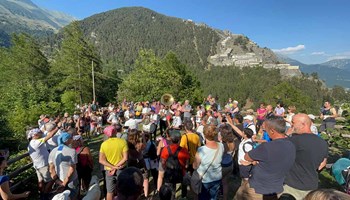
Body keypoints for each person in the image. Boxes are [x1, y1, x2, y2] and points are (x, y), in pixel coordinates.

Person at [234, 116, 296, 200]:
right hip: (276, 189)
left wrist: (256, 160)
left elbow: (247, 157)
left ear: (272, 131)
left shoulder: (266, 147)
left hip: (257, 189)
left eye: (266, 129)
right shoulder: (291, 145)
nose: (264, 130)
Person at [283, 113, 328, 200]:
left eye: (293, 122)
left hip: (292, 186)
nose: (291, 125)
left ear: (303, 124)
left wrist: (287, 135)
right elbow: (322, 164)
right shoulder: (322, 142)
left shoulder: (294, 141)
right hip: (311, 185)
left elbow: (275, 151)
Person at [193, 125, 224, 200]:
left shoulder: (201, 150)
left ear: (204, 135)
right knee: (213, 197)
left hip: (205, 179)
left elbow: (195, 166)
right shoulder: (221, 146)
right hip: (217, 177)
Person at [27, 126, 58, 199]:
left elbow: (45, 133)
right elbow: (50, 136)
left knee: (40, 181)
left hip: (37, 166)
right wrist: (57, 127)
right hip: (43, 165)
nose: (41, 133)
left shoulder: (32, 143)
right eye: (39, 133)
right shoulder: (37, 142)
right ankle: (46, 195)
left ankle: (41, 195)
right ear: (35, 135)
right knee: (51, 179)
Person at [99, 125, 128, 200]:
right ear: (115, 132)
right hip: (121, 169)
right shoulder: (122, 141)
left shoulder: (104, 144)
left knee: (110, 192)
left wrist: (113, 167)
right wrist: (116, 167)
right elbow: (125, 158)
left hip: (109, 170)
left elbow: (101, 160)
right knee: (122, 190)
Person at [160, 129, 190, 199]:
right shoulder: (184, 150)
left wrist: (165, 168)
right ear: (179, 139)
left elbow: (163, 162)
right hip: (181, 173)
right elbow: (187, 165)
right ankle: (183, 196)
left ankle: (172, 197)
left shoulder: (165, 149)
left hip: (169, 173)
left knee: (171, 189)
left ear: (170, 139)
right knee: (184, 184)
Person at [49, 132, 79, 200]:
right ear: (67, 140)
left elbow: (51, 169)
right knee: (73, 196)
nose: (72, 140)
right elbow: (72, 169)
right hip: (71, 180)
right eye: (71, 138)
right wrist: (65, 182)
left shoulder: (53, 151)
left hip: (59, 180)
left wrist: (57, 181)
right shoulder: (72, 151)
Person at [179, 120, 201, 199]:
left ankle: (184, 194)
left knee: (184, 177)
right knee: (194, 177)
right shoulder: (197, 136)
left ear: (185, 128)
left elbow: (181, 148)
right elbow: (199, 147)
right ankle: (194, 191)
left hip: (186, 160)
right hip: (195, 160)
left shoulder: (184, 137)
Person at [127, 129, 149, 198]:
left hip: (131, 161)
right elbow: (145, 146)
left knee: (132, 178)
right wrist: (143, 137)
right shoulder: (139, 143)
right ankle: (145, 195)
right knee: (145, 177)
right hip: (140, 160)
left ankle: (134, 194)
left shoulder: (127, 143)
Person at [218, 124, 235, 200]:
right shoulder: (232, 142)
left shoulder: (222, 145)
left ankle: (218, 195)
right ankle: (225, 198)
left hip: (222, 166)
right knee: (225, 183)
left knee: (217, 182)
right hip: (230, 164)